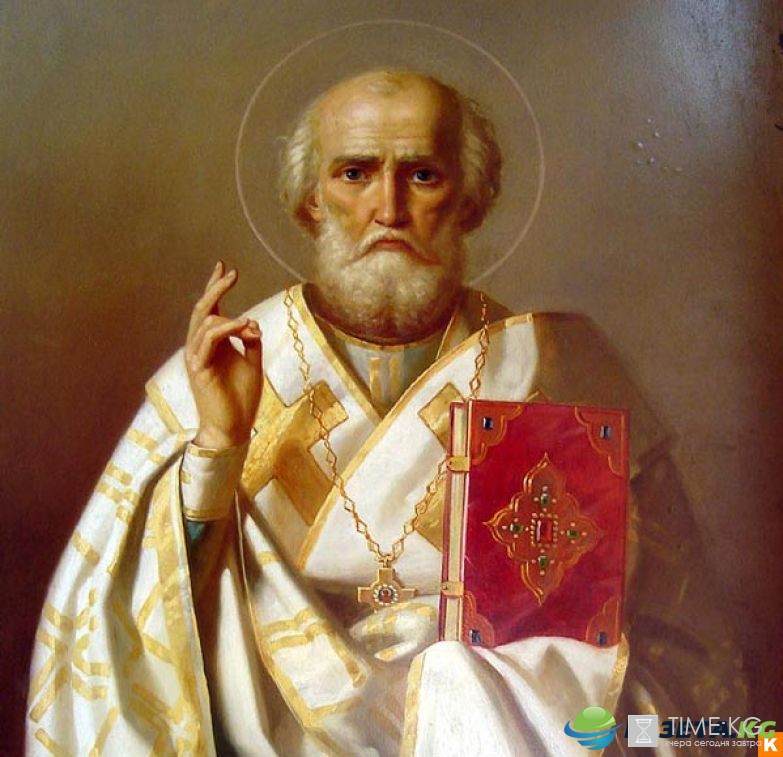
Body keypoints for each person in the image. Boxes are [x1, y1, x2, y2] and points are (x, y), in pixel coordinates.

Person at [27, 70, 744, 756]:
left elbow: (685, 650)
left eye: (422, 175)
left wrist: (517, 698)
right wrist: (216, 447)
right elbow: (125, 627)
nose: (389, 208)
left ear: (468, 201)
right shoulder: (217, 373)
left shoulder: (556, 373)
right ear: (311, 201)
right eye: (355, 173)